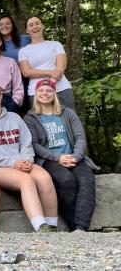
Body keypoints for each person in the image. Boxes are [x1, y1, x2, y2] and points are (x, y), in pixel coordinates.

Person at [0, 84, 59, 232]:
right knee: (26, 180)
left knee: (44, 177)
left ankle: (52, 226)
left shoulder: (15, 117)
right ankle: (40, 226)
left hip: (22, 161)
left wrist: (26, 160)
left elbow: (26, 143)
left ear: (1, 95)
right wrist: (13, 163)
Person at [24, 79, 98, 231]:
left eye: (49, 90)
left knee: (87, 179)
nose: (45, 93)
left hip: (73, 157)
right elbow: (35, 145)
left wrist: (76, 156)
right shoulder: (30, 118)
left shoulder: (67, 113)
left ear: (54, 94)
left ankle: (81, 228)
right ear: (36, 94)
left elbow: (80, 137)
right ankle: (74, 224)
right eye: (41, 91)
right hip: (49, 160)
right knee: (66, 181)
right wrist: (58, 158)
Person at [18, 16, 76, 110]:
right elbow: (27, 72)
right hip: (36, 92)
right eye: (31, 25)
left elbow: (61, 67)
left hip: (61, 89)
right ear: (27, 30)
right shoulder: (23, 51)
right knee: (42, 124)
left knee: (69, 122)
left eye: (37, 23)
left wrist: (50, 84)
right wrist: (49, 73)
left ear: (43, 26)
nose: (35, 27)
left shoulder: (56, 44)